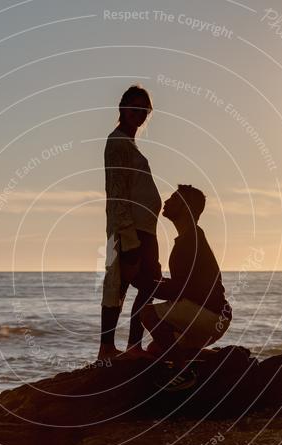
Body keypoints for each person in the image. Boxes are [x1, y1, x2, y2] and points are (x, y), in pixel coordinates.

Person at [140, 185, 232, 389]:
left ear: (187, 207)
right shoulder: (190, 238)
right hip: (212, 317)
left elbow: (179, 290)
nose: (167, 201)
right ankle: (217, 358)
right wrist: (155, 282)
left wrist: (144, 282)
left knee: (147, 314)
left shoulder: (190, 242)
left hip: (209, 315)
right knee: (157, 348)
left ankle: (183, 372)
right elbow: (183, 287)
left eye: (174, 198)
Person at [98, 85, 163, 361]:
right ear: (122, 109)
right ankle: (125, 347)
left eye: (144, 110)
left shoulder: (129, 144)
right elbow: (117, 193)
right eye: (135, 108)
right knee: (138, 284)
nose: (140, 114)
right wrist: (131, 241)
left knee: (127, 285)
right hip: (131, 231)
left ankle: (113, 348)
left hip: (141, 229)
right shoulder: (118, 143)